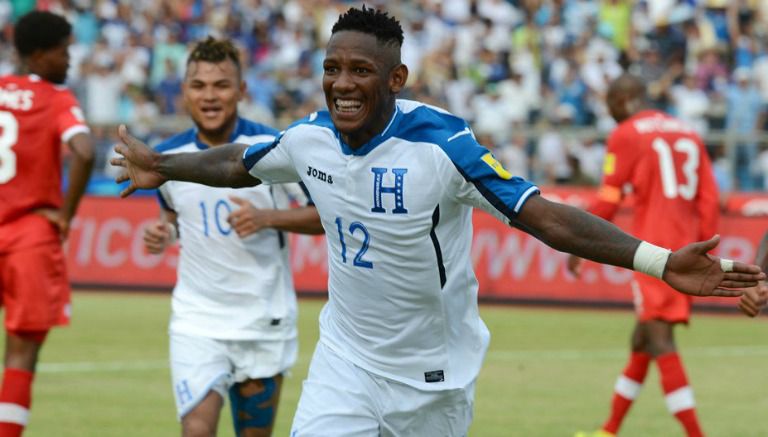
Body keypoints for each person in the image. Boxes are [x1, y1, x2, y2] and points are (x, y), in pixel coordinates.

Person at [111, 7, 765, 436]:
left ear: (395, 77)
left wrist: (656, 260)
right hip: (345, 364)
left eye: (360, 70)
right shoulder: (308, 138)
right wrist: (163, 167)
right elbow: (239, 163)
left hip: (435, 379)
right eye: (331, 69)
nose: (341, 83)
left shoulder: (442, 145)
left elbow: (542, 215)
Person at [141, 37, 323, 437]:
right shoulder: (166, 159)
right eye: (198, 85)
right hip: (197, 321)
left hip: (263, 319)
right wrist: (164, 231)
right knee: (197, 431)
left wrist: (268, 217)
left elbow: (326, 217)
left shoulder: (274, 149)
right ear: (184, 91)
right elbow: (173, 213)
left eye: (221, 85)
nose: (209, 96)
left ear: (241, 90)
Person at [567, 74, 740, 437]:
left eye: (612, 104)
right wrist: (707, 249)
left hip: (654, 253)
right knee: (643, 340)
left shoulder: (627, 133)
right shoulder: (687, 131)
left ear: (627, 98)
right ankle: (609, 430)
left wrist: (576, 240)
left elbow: (611, 197)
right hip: (688, 248)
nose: (611, 114)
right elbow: (708, 198)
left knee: (659, 339)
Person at [0, 11, 95, 436]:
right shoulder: (57, 98)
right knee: (20, 355)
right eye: (63, 50)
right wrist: (66, 215)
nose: (69, 59)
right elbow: (86, 151)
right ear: (38, 55)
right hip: (29, 235)